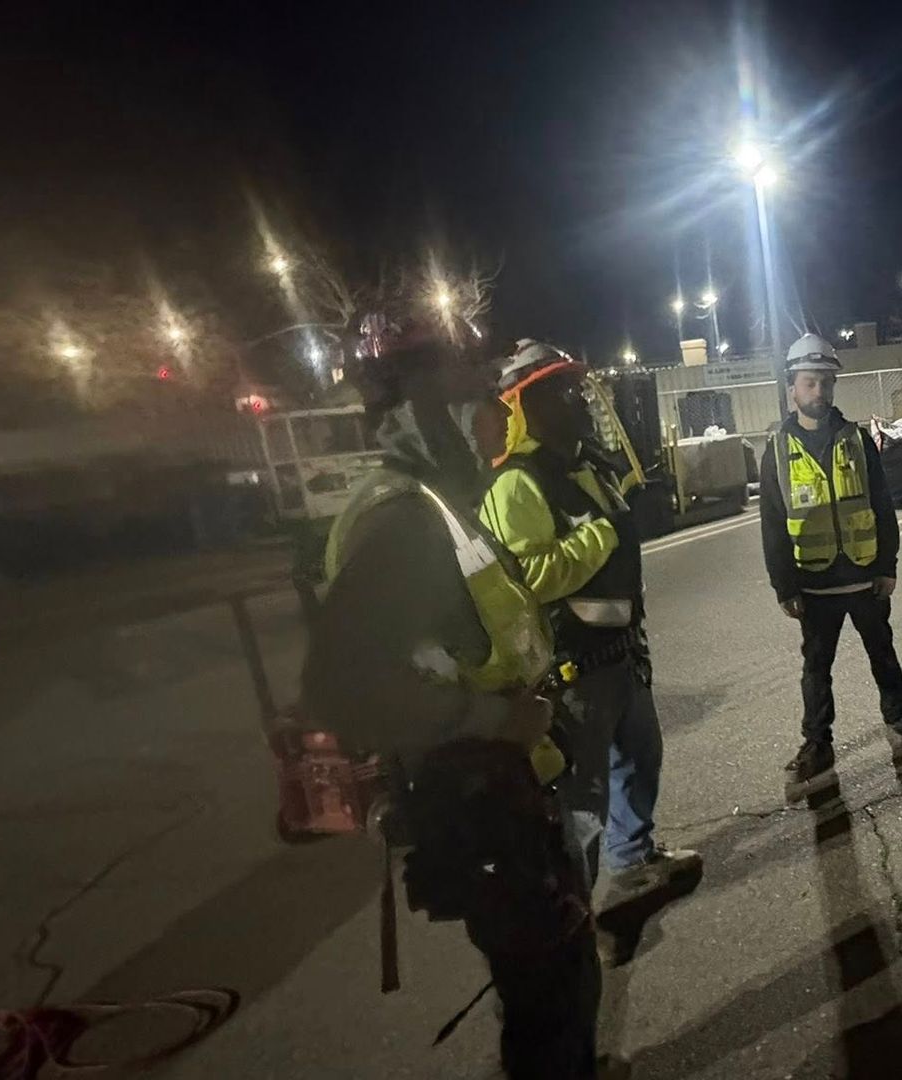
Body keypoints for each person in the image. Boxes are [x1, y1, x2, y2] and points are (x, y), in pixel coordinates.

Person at [300, 312, 599, 1078]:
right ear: (415, 404)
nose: (492, 410)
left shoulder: (440, 502)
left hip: (512, 787)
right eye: (471, 390)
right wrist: (495, 720)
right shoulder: (402, 521)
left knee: (551, 980)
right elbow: (343, 685)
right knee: (547, 999)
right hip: (479, 800)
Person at [480, 340, 701, 911]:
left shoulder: (586, 466)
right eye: (563, 390)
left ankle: (634, 864)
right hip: (571, 672)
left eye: (577, 386)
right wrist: (603, 534)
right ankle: (575, 912)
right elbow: (529, 577)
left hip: (620, 652)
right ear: (528, 408)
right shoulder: (517, 483)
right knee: (582, 801)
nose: (580, 398)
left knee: (640, 759)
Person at [760, 332, 902, 802]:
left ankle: (900, 721)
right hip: (814, 582)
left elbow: (882, 506)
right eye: (809, 383)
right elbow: (773, 524)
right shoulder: (777, 449)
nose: (819, 392)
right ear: (792, 388)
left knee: (882, 651)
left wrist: (888, 564)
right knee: (817, 667)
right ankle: (817, 743)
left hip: (864, 575)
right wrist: (785, 586)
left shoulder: (857, 440)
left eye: (825, 382)